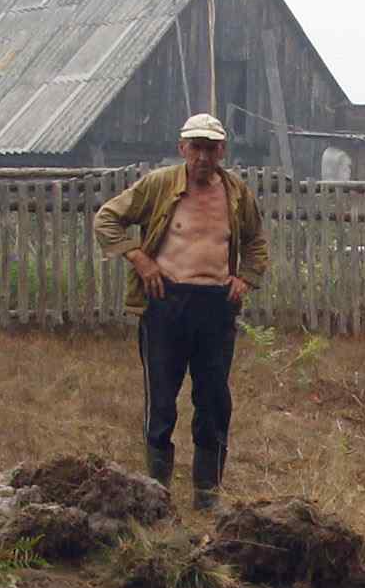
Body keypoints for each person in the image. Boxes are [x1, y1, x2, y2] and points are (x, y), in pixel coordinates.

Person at [93, 113, 268, 509]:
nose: (203, 156)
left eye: (211, 148)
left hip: (216, 306)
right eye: (196, 147)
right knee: (162, 400)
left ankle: (207, 494)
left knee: (213, 400)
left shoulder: (237, 193)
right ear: (182, 148)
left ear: (222, 150)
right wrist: (140, 259)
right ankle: (156, 493)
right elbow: (107, 219)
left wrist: (246, 278)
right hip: (166, 303)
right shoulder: (159, 185)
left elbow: (256, 242)